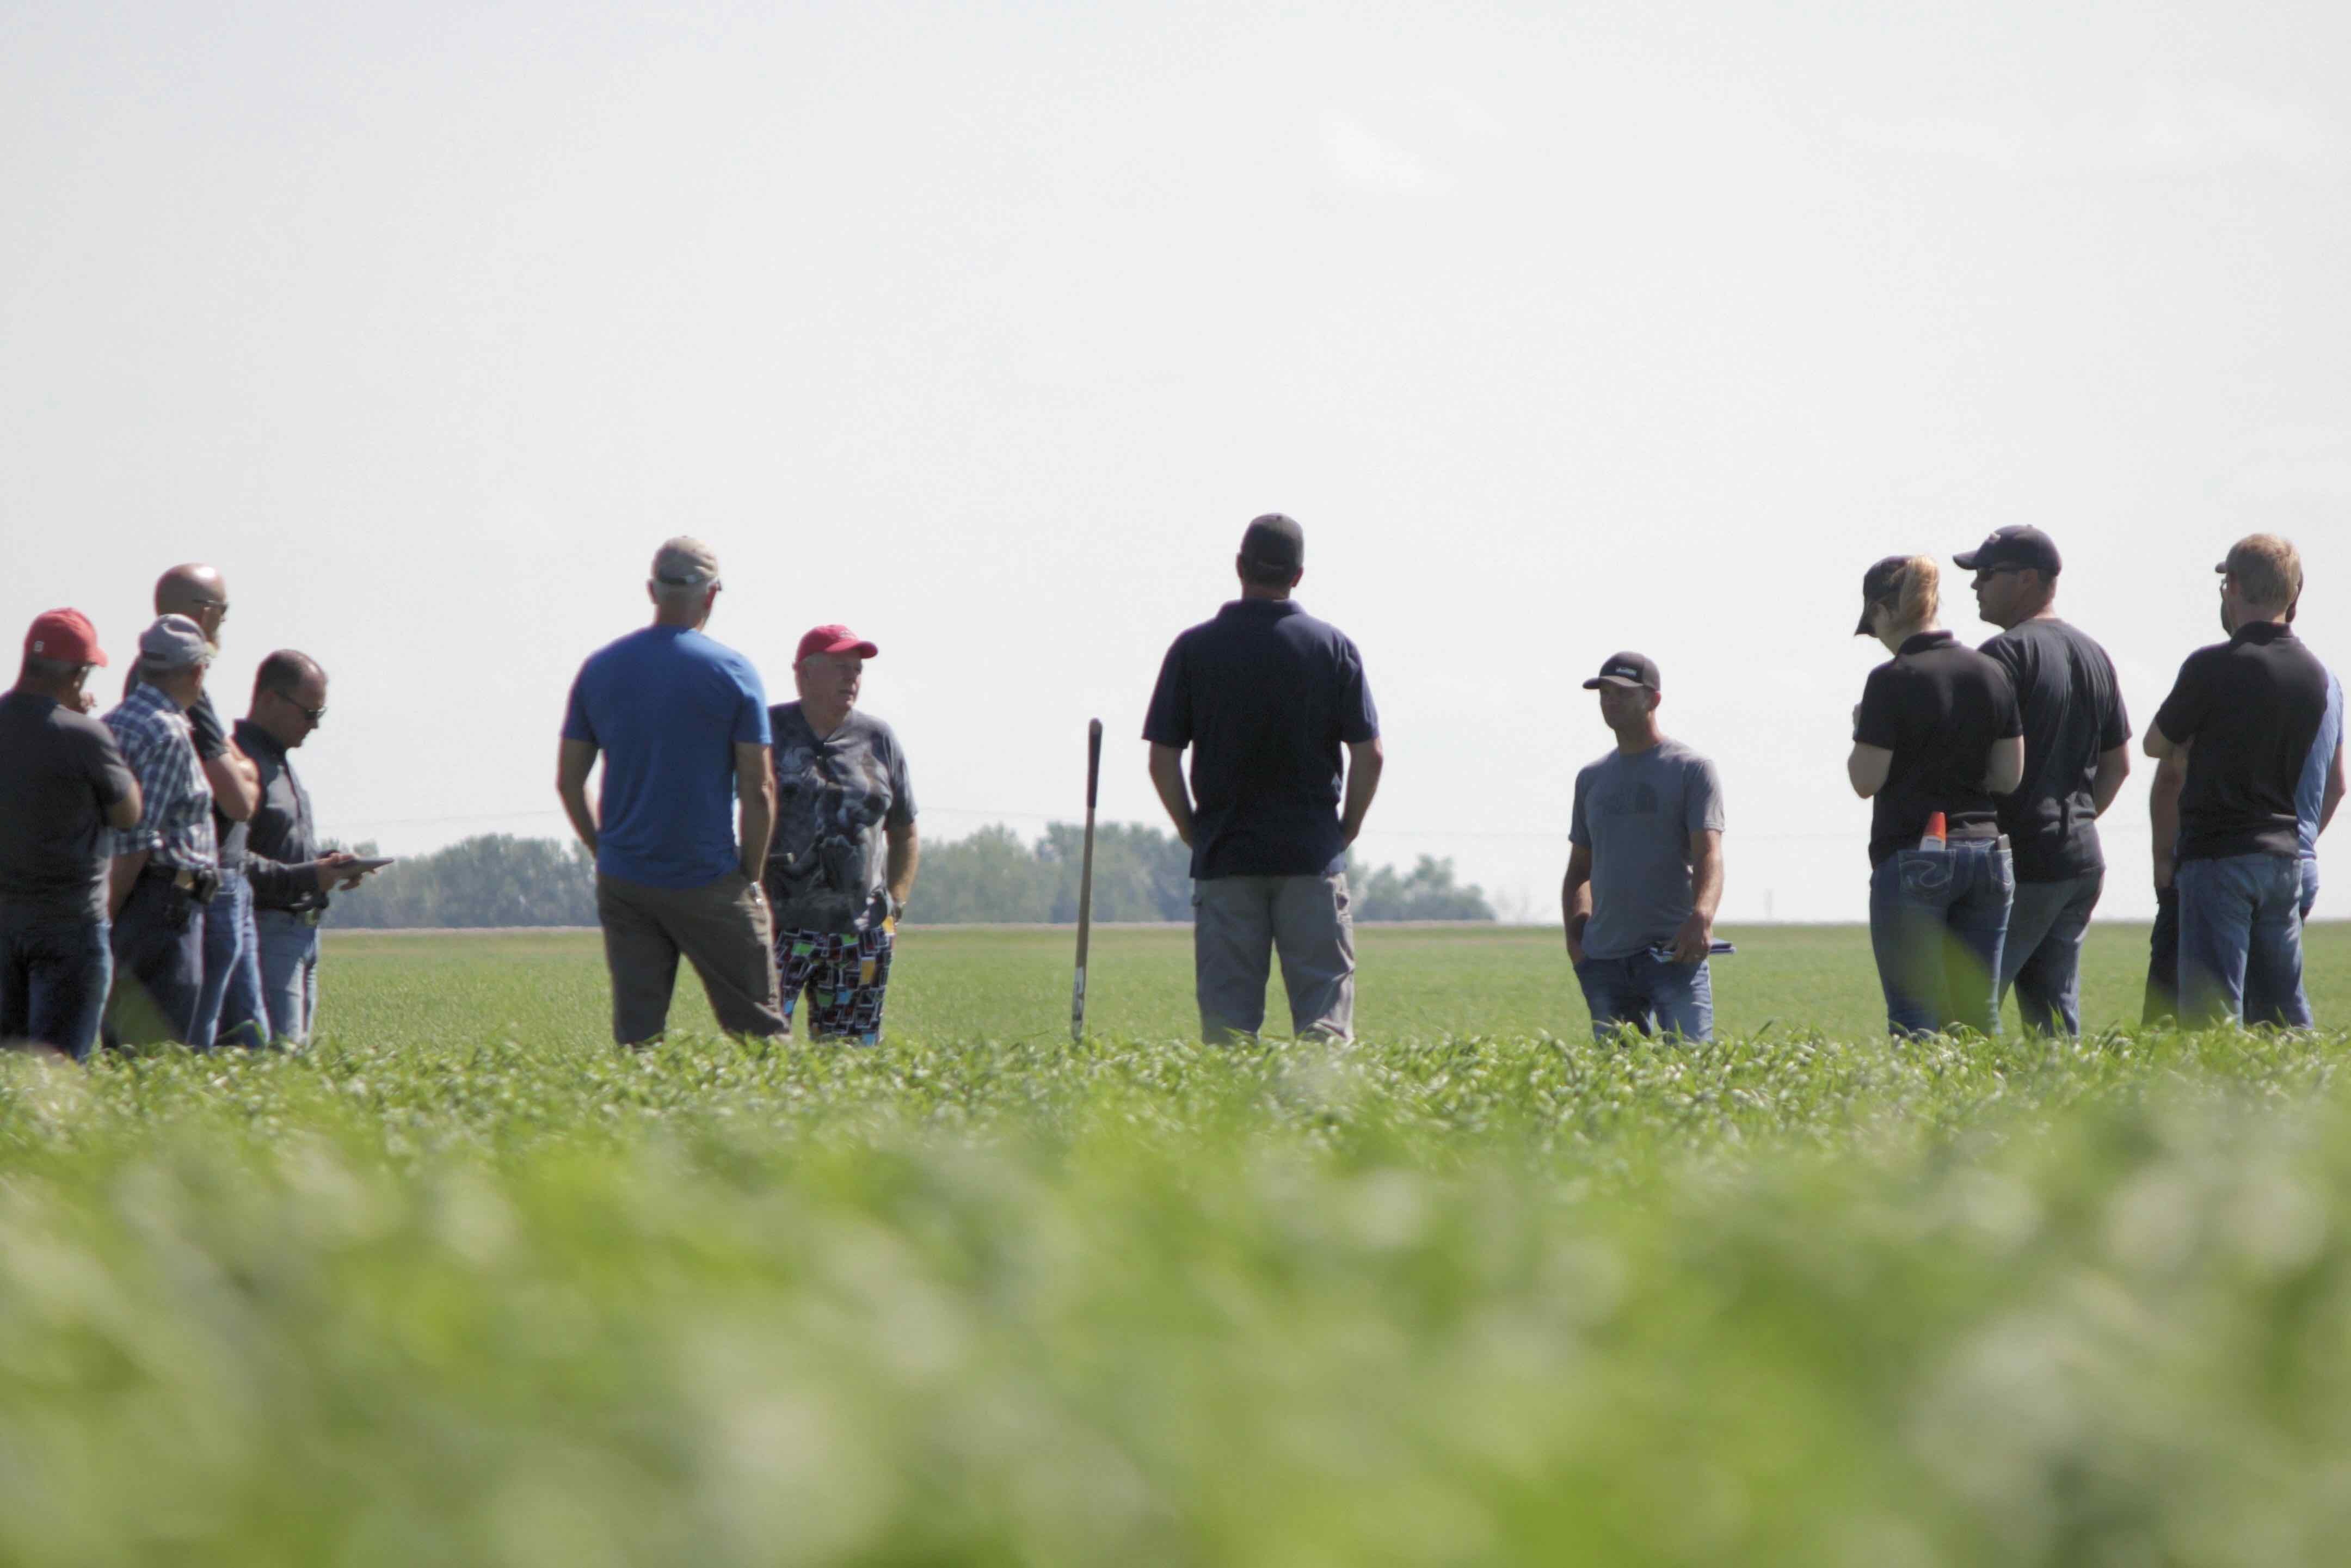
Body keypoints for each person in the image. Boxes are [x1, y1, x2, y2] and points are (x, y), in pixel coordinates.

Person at [1144, 514, 1383, 1044]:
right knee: (1325, 1025)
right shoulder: (1334, 648)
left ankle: (1232, 1128)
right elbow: (1371, 756)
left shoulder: (1193, 649)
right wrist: (1346, 829)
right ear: (1298, 576)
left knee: (1229, 1032)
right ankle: (1323, 1124)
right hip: (1311, 858)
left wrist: (1193, 830)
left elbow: (1162, 759)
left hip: (1226, 859)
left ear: (1239, 567)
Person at [558, 538, 787, 1046]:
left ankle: (638, 1124)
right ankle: (783, 1125)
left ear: (651, 591)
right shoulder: (733, 672)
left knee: (639, 1039)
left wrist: (605, 850)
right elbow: (760, 787)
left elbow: (569, 782)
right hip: (706, 875)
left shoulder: (599, 669)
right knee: (762, 1035)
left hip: (626, 880)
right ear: (713, 595)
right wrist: (749, 874)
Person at [2145, 535, 2330, 1028]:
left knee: (2213, 1015)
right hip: (2283, 854)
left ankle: (2217, 1102)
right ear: (2292, 593)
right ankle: (2304, 1096)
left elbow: (2154, 743)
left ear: (2233, 587)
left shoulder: (2212, 665)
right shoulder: (2313, 673)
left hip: (2218, 853)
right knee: (2285, 1010)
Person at [1959, 526, 2132, 1037]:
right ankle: (2060, 1112)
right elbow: (2119, 764)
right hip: (2080, 860)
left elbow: (1972, 757)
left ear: (2027, 579)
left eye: (1987, 574)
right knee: (2053, 1019)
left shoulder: (2003, 655)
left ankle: (1962, 1112)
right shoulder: (2095, 653)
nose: (1976, 586)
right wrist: (2073, 819)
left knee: (1967, 1011)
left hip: (2023, 862)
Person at [1847, 556, 2025, 1037]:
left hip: (1914, 853)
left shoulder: (1890, 680)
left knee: (1914, 1016)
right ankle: (1988, 1109)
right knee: (1978, 1016)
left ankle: (1922, 1114)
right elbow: (2009, 776)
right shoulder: (1991, 672)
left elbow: (1865, 779)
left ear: (1884, 609)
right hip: (1989, 853)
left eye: (1873, 624)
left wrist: (1862, 727)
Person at [762, 625, 919, 1044]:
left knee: (849, 1059)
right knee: (760, 1047)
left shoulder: (878, 738)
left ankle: (841, 1114)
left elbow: (904, 830)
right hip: (779, 927)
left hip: (861, 930)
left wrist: (896, 903)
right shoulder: (766, 731)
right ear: (804, 674)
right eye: (839, 668)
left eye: (857, 669)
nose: (852, 678)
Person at [1561, 652, 1726, 1043]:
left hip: (1673, 955)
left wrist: (1702, 915)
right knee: (1615, 1089)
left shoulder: (1691, 768)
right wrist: (1576, 941)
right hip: (1604, 962)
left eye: (1622, 692)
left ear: (1653, 700)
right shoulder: (1591, 778)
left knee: (1692, 1069)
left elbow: (1709, 852)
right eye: (1604, 692)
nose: (1609, 700)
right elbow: (1579, 870)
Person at [1, 611, 141, 1060]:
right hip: (70, 926)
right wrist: (86, 725)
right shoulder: (85, 735)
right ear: (79, 674)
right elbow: (128, 814)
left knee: (7, 1078)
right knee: (58, 1078)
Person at [141, 564, 266, 1050]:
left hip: (180, 884)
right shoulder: (186, 685)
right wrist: (245, 767)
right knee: (212, 1039)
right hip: (199, 884)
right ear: (205, 612)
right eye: (223, 611)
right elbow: (239, 798)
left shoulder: (148, 676)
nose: (223, 623)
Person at [99, 616, 224, 1048]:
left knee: (126, 1035)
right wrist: (108, 914)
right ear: (195, 673)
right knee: (161, 1047)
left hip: (136, 901)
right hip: (163, 904)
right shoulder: (168, 731)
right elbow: (137, 838)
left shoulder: (115, 721)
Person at [239, 651, 370, 1044]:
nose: (314, 726)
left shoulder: (281, 762)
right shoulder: (241, 763)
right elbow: (230, 859)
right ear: (270, 700)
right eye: (308, 713)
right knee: (278, 1063)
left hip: (305, 933)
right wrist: (310, 875)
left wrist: (333, 862)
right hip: (269, 930)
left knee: (294, 1061)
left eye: (320, 714)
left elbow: (283, 848)